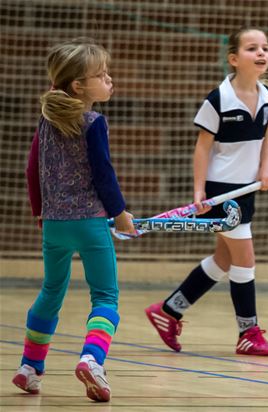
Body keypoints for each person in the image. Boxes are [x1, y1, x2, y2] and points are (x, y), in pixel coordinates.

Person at [13, 38, 136, 402]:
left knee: (51, 291)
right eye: (101, 74)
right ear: (79, 86)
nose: (109, 79)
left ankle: (30, 368)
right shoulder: (94, 121)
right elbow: (104, 173)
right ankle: (92, 360)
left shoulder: (46, 120)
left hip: (53, 224)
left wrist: (40, 213)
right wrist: (120, 214)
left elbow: (31, 169)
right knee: (106, 296)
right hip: (90, 223)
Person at [145, 27, 268, 356]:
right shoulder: (217, 99)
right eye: (252, 48)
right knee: (244, 260)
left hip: (247, 190)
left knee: (223, 259)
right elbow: (202, 149)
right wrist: (199, 192)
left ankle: (168, 311)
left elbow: (267, 139)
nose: (261, 53)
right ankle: (248, 332)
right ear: (234, 59)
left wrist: (267, 168)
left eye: (264, 48)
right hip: (222, 192)